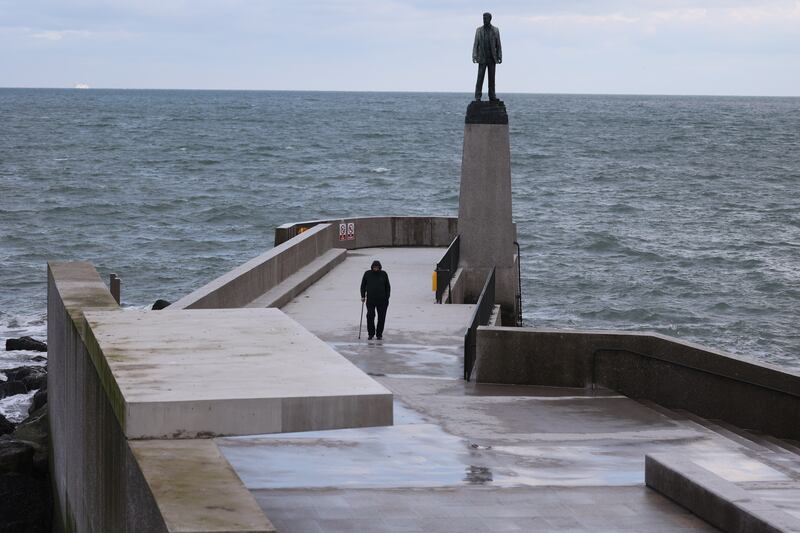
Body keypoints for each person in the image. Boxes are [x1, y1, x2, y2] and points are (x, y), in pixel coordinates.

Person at [472, 12, 502, 101]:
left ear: (490, 19)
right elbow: (475, 44)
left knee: (492, 79)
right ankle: (478, 96)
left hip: (492, 58)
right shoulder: (479, 30)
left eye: (486, 18)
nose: (484, 20)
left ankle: (492, 96)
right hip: (482, 57)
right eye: (483, 18)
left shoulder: (496, 30)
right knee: (480, 78)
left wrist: (499, 55)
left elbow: (498, 44)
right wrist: (474, 55)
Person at [360, 260, 390, 340]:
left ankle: (379, 334)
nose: (376, 268)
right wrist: (363, 296)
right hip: (370, 300)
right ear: (372, 267)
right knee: (370, 316)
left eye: (377, 267)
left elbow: (388, 286)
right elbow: (363, 285)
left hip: (382, 300)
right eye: (374, 267)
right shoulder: (367, 274)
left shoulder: (384, 274)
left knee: (381, 317)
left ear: (380, 267)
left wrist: (387, 297)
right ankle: (371, 333)